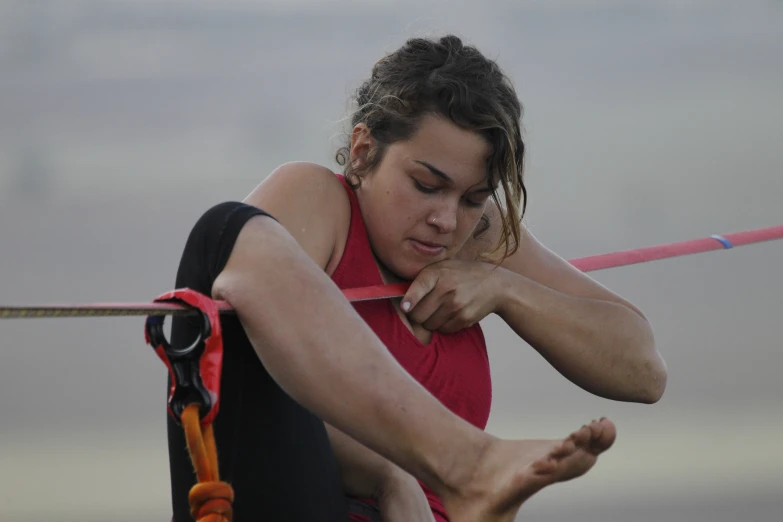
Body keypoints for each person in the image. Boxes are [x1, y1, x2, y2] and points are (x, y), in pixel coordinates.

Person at [167, 34, 666, 522]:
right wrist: (389, 473)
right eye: (427, 186)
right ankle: (468, 463)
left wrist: (506, 289)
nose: (447, 220)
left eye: (474, 198)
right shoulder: (319, 202)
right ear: (362, 150)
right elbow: (257, 386)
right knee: (224, 236)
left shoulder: (482, 238)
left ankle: (469, 466)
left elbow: (644, 370)